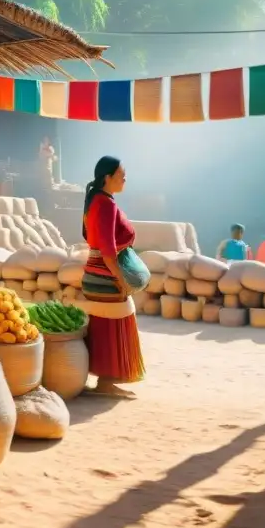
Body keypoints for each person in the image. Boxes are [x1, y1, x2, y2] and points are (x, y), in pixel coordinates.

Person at [79, 156, 148, 398]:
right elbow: (108, 249)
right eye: (121, 174)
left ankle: (103, 381)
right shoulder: (105, 204)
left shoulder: (95, 200)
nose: (125, 178)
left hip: (94, 271)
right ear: (107, 178)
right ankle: (106, 383)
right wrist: (121, 280)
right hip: (105, 274)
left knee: (102, 327)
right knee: (113, 327)